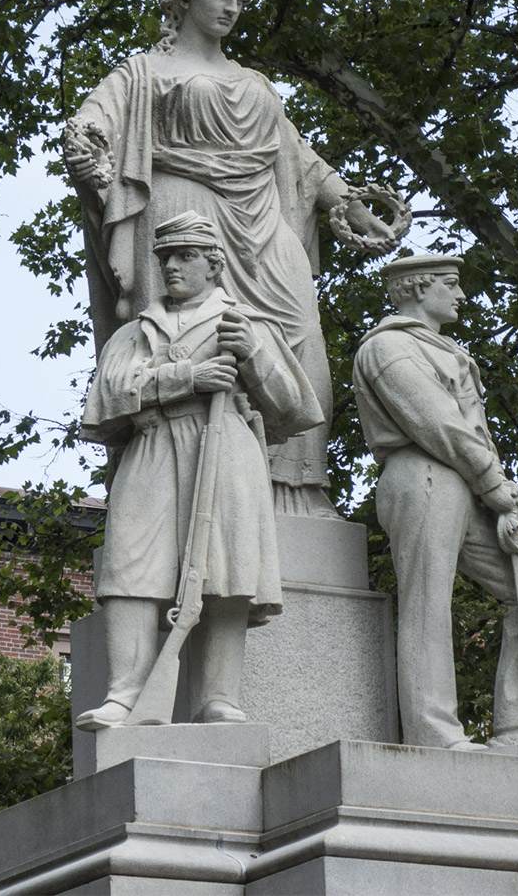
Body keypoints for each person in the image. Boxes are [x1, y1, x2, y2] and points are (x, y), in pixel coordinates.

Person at [65, 0, 399, 517]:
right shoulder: (144, 71)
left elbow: (294, 156)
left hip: (263, 221)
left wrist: (345, 200)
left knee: (298, 336)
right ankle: (180, 478)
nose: (230, 7)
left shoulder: (254, 82)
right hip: (180, 211)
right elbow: (95, 121)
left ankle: (295, 490)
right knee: (178, 336)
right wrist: (88, 143)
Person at [76, 211, 323, 731]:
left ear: (214, 264)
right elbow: (104, 403)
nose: (171, 267)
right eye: (165, 258)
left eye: (185, 256)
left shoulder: (247, 325)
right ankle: (126, 695)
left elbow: (296, 410)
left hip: (226, 446)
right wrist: (185, 377)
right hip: (152, 447)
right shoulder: (133, 333)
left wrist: (252, 357)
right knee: (130, 567)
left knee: (228, 569)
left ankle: (218, 697)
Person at [352, 254, 518, 753]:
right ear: (416, 288)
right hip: (423, 472)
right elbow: (437, 423)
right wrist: (492, 482)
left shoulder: (445, 349)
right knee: (429, 602)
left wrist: (492, 485)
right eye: (450, 285)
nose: (460, 295)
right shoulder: (389, 347)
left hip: (466, 479)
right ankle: (435, 733)